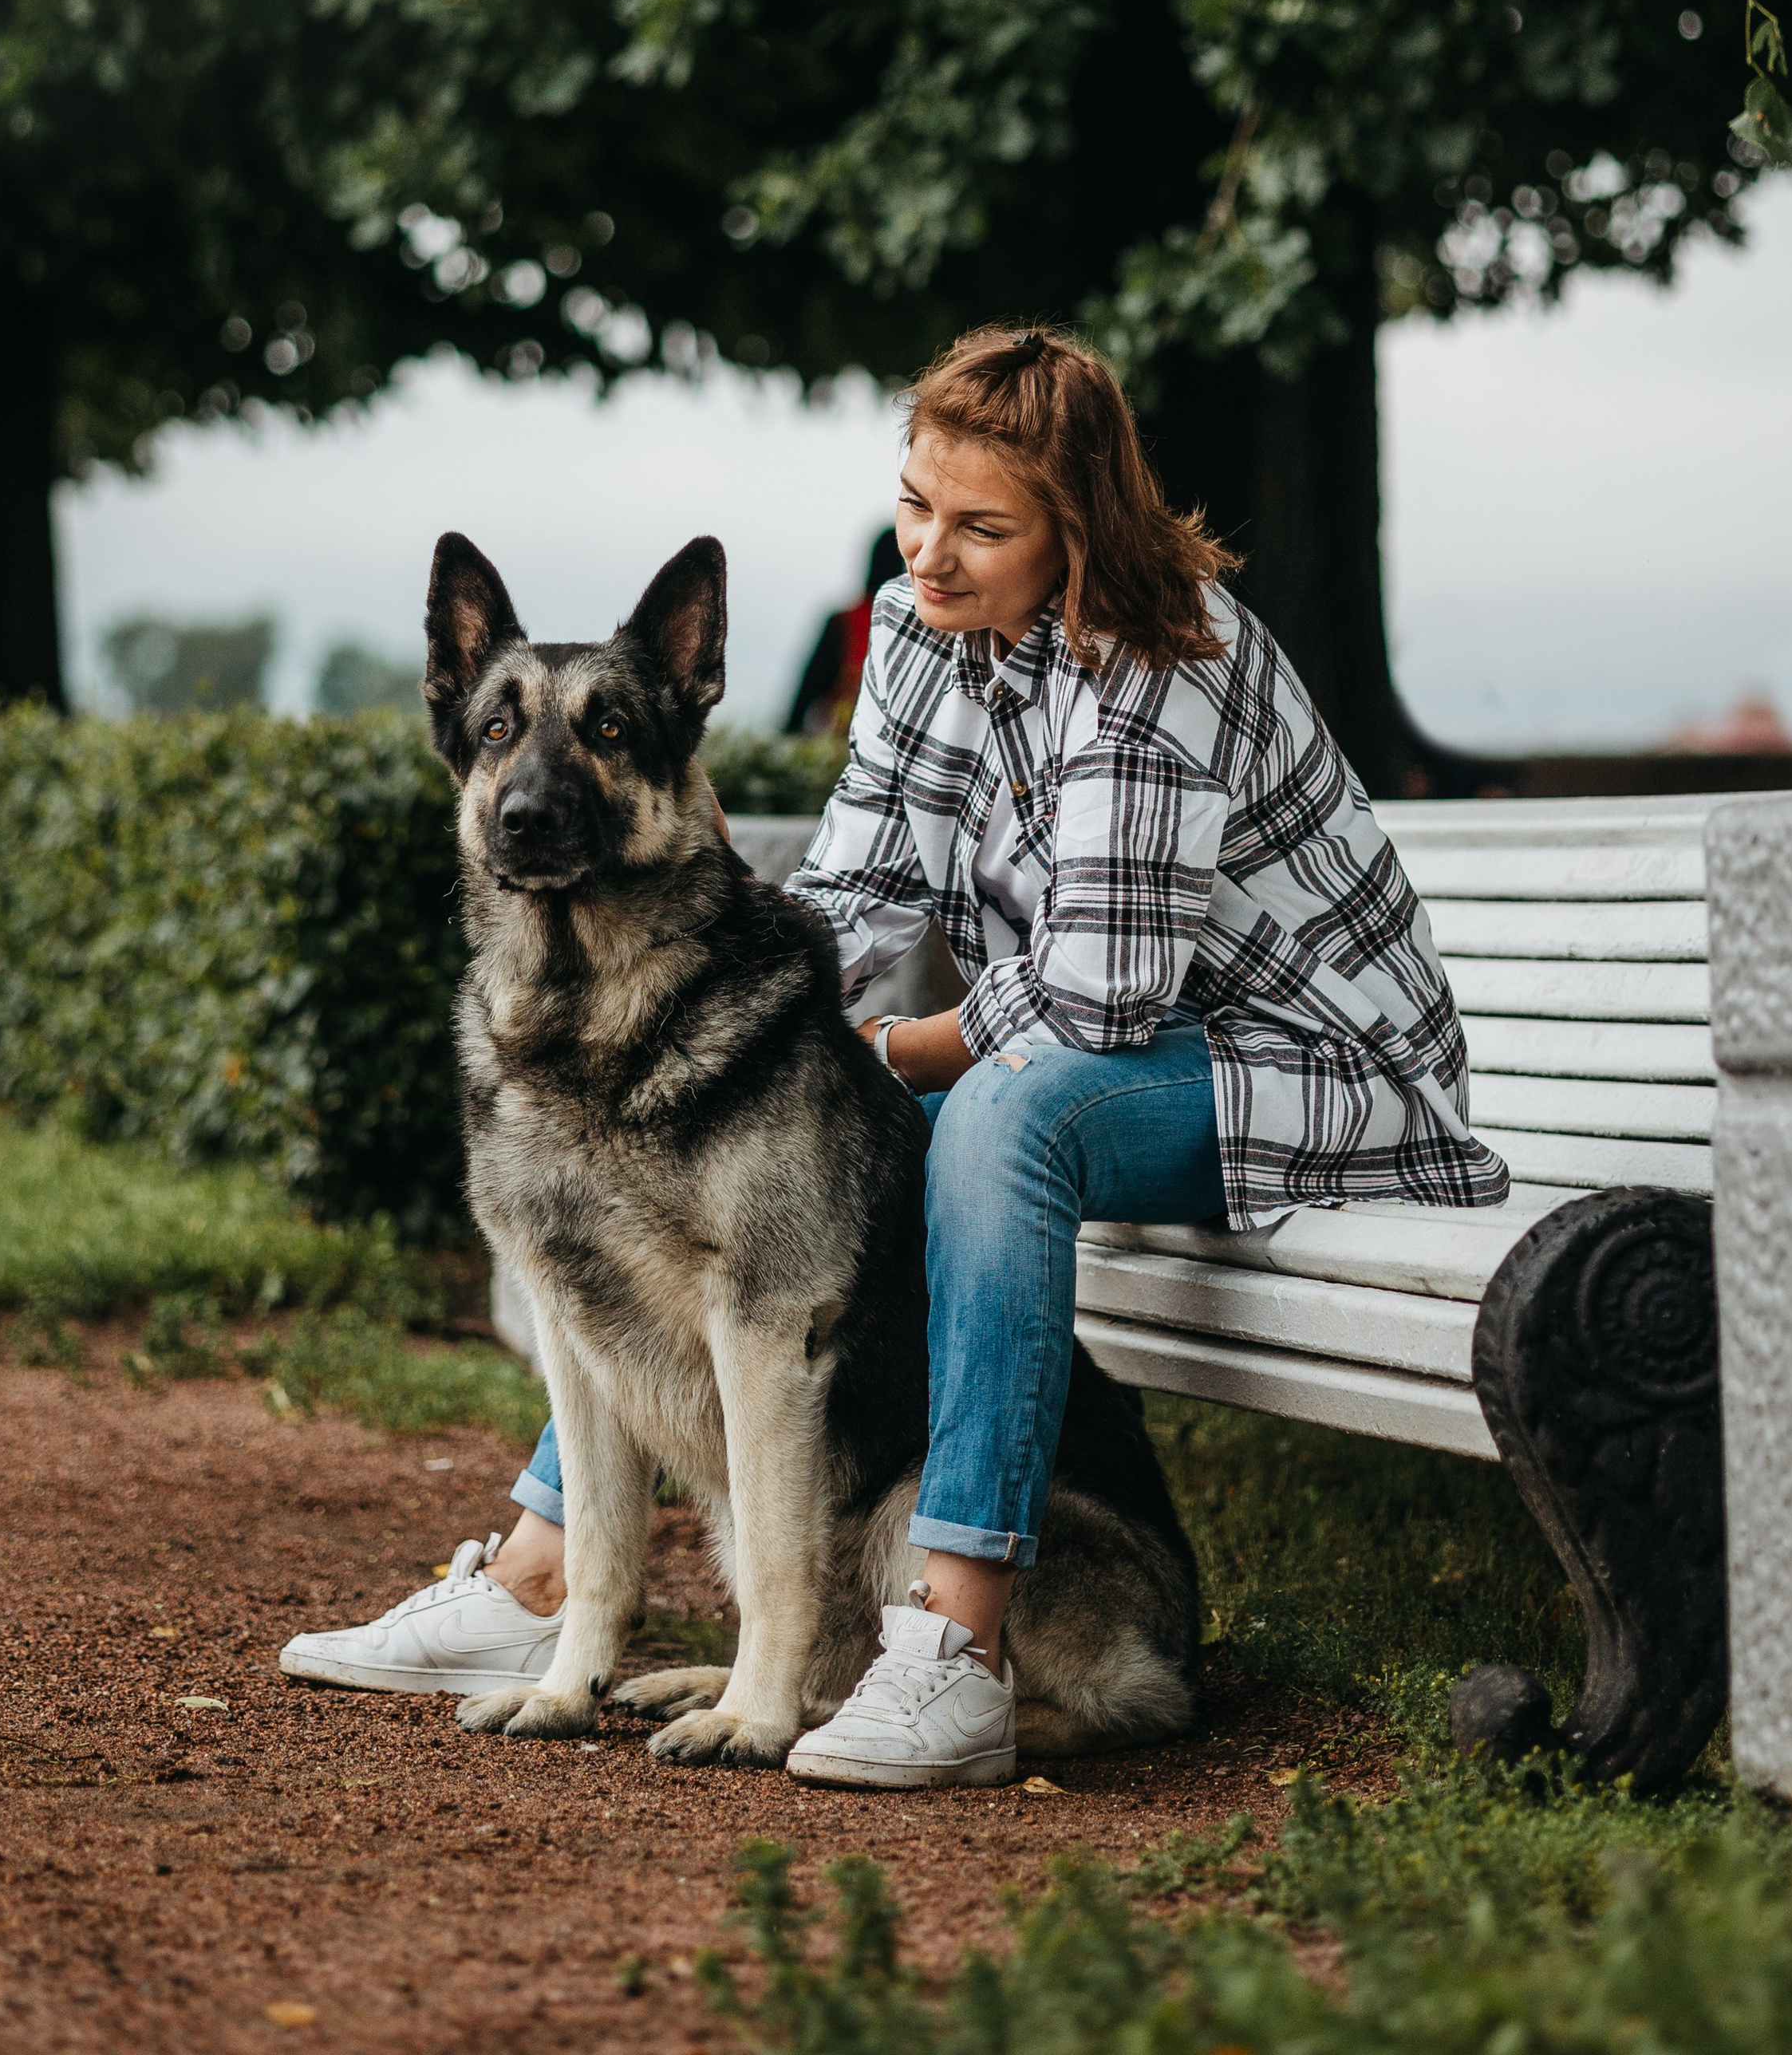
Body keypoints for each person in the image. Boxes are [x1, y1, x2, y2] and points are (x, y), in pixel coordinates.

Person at [282, 325, 1508, 1784]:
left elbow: (1100, 1001)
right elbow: (855, 902)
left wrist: (870, 1053)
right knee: (740, 1176)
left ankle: (961, 1642)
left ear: (1082, 527)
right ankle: (546, 1577)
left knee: (994, 1119)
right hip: (1114, 1043)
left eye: (982, 527)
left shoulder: (1161, 657)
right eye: (917, 503)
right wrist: (718, 960)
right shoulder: (926, 628)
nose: (927, 553)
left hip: (1322, 1070)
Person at [783, 525, 904, 735]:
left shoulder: (842, 621)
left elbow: (807, 691)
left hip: (839, 742)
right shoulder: (914, 630)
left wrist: (787, 735)